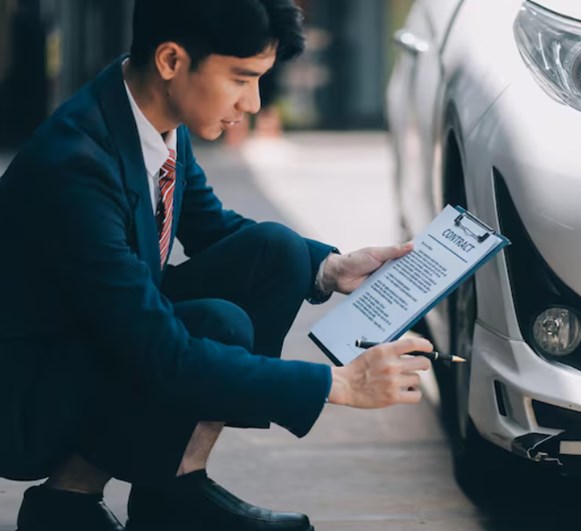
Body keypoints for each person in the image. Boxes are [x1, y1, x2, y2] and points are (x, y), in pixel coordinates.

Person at [0, 1, 433, 530]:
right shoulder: (75, 164)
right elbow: (163, 352)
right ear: (171, 60)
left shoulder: (149, 115)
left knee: (277, 252)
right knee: (213, 326)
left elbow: (215, 228)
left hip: (96, 344)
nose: (251, 102)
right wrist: (339, 384)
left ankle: (174, 489)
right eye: (241, 79)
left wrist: (331, 268)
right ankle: (67, 500)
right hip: (28, 397)